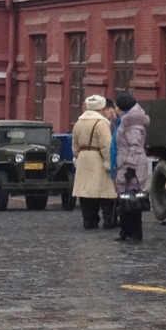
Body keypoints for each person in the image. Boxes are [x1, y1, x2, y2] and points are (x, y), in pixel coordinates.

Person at [71, 94, 117, 230]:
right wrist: (109, 162)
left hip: (83, 158)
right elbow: (106, 145)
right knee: (104, 192)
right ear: (101, 108)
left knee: (86, 193)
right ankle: (108, 220)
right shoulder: (101, 123)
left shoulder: (78, 123)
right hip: (98, 158)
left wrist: (78, 156)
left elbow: (75, 145)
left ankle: (88, 220)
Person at [111, 92, 149, 242]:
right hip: (125, 163)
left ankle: (134, 233)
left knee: (132, 201)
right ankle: (125, 231)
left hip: (132, 165)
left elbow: (135, 146)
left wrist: (131, 167)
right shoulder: (127, 120)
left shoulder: (133, 122)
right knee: (125, 199)